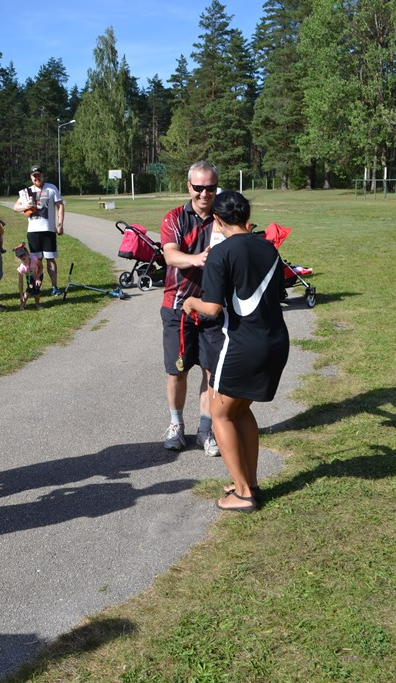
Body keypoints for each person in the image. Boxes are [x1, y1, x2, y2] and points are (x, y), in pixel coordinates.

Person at [183, 191, 289, 512]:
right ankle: (250, 483)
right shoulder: (268, 247)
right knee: (240, 411)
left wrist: (190, 303)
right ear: (246, 215)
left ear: (217, 219)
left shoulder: (220, 252)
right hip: (276, 341)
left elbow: (212, 307)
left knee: (219, 414)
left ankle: (243, 494)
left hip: (244, 344)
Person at [158, 161, 223, 454]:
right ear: (189, 187)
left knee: (212, 372)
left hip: (213, 306)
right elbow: (170, 256)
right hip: (177, 306)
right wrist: (197, 259)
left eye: (210, 188)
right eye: (198, 188)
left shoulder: (224, 218)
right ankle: (176, 425)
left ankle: (206, 430)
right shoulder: (174, 218)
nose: (204, 194)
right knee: (177, 371)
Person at [12, 165, 64, 296]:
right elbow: (15, 207)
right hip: (33, 232)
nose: (37, 178)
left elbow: (60, 206)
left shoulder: (51, 188)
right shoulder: (26, 192)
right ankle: (36, 287)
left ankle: (54, 287)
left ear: (42, 175)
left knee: (50, 259)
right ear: (31, 177)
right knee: (36, 261)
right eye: (34, 176)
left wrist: (60, 224)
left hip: (48, 230)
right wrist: (26, 206)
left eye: (39, 175)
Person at [13, 243, 43, 310]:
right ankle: (23, 304)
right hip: (30, 277)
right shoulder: (21, 268)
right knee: (29, 289)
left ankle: (37, 303)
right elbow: (20, 282)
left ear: (28, 254)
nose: (23, 257)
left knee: (36, 289)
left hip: (39, 274)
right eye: (20, 256)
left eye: (24, 254)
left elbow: (41, 267)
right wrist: (21, 294)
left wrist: (38, 277)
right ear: (18, 258)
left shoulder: (34, 259)